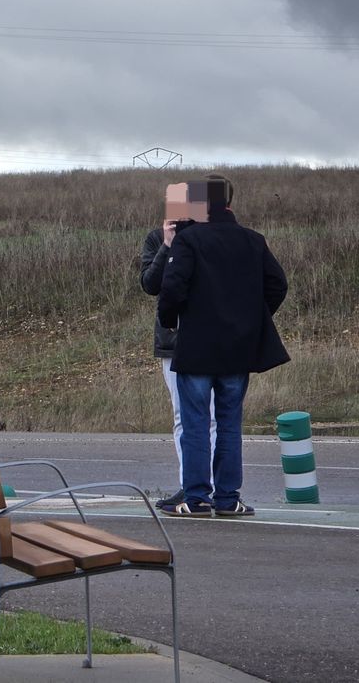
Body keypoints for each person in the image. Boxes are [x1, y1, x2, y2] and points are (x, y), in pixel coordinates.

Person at [157, 175, 289, 518]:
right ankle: (228, 498)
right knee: (229, 425)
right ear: (229, 202)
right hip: (237, 348)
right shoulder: (253, 241)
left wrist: (170, 319)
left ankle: (197, 496)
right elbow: (277, 285)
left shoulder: (189, 240)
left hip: (198, 347)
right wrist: (254, 319)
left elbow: (172, 288)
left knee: (196, 424)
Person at [140, 217, 216, 510]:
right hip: (173, 342)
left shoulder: (208, 237)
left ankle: (209, 485)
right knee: (182, 415)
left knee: (211, 416)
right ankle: (189, 485)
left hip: (207, 337)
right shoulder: (156, 238)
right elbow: (150, 283)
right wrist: (168, 245)